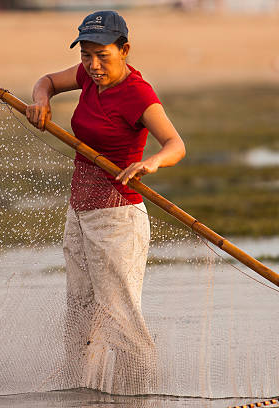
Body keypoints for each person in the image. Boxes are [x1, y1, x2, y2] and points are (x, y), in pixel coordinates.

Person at [25, 10, 185, 395]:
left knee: (119, 316)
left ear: (124, 50)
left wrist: (150, 162)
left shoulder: (138, 94)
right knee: (80, 313)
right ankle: (83, 393)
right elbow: (46, 81)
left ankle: (138, 397)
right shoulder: (86, 76)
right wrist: (40, 100)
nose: (93, 66)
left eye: (103, 56)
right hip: (79, 211)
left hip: (118, 218)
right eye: (86, 55)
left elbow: (176, 145)